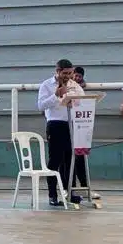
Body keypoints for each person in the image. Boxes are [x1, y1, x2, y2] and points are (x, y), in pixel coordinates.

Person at [37, 59, 84, 207]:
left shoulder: (74, 85)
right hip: (55, 124)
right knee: (55, 160)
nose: (68, 76)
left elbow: (82, 100)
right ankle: (52, 194)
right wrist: (56, 95)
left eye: (70, 73)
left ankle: (69, 191)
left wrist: (76, 102)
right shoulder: (46, 85)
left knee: (70, 160)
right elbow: (41, 106)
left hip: (70, 124)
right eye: (65, 73)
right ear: (57, 71)